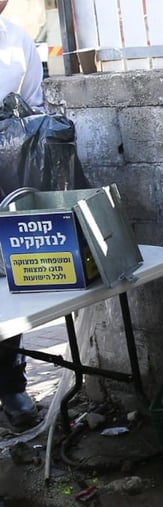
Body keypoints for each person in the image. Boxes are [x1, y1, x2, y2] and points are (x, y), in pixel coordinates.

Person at [0, 0, 44, 430]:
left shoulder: (16, 39)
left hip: (7, 165)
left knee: (10, 277)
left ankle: (10, 385)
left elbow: (33, 105)